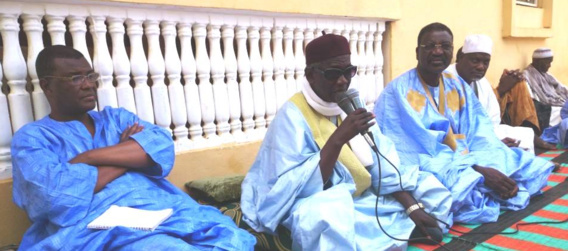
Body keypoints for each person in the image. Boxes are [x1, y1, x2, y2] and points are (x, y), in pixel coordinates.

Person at [11, 45, 256, 250]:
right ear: (47, 86)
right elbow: (54, 194)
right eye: (76, 78)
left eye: (90, 76)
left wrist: (87, 157)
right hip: (99, 228)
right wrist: (125, 153)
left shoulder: (116, 119)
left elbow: (160, 146)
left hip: (164, 210)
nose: (88, 85)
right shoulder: (33, 138)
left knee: (231, 238)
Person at [240, 34, 453, 251]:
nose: (342, 81)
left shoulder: (349, 103)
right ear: (311, 75)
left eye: (348, 72)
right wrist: (339, 138)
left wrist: (412, 207)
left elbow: (382, 162)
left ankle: (404, 227)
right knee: (325, 216)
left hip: (362, 198)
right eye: (333, 73)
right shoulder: (292, 116)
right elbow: (295, 188)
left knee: (431, 188)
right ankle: (400, 232)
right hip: (319, 199)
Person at [374, 23, 554, 224]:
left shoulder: (456, 83)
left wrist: (485, 161)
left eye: (445, 46)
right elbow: (414, 152)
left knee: (527, 163)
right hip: (431, 162)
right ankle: (484, 185)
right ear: (418, 52)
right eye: (430, 46)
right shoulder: (398, 92)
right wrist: (477, 169)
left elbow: (480, 131)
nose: (438, 51)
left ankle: (489, 184)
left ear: (452, 52)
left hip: (468, 155)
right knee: (461, 189)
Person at [446, 34, 555, 152]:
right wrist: (492, 142)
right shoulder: (446, 79)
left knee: (523, 135)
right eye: (475, 61)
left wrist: (492, 137)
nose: (480, 67)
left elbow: (493, 118)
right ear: (461, 57)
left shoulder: (482, 82)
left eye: (485, 62)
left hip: (483, 132)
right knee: (507, 148)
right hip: (458, 139)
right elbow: (450, 126)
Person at [525, 48, 567, 129]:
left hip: (557, 103)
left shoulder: (547, 75)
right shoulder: (526, 76)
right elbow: (533, 101)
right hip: (546, 110)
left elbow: (561, 88)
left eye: (550, 62)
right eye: (547, 62)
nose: (549, 65)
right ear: (536, 61)